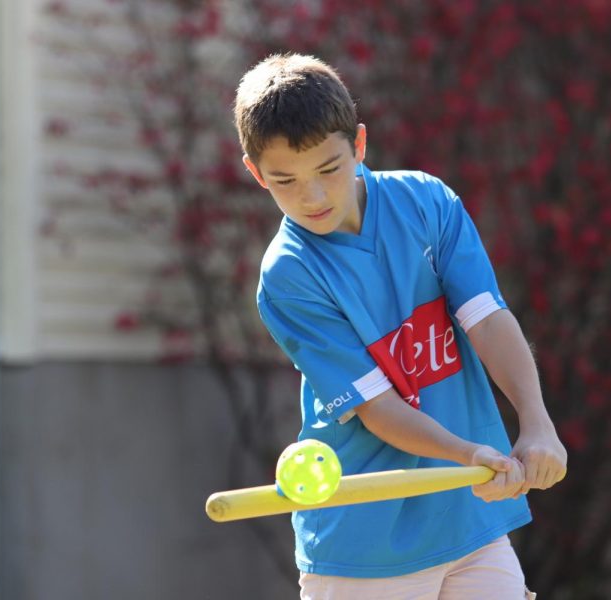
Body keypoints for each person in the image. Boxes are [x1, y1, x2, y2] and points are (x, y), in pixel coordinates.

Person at [234, 53, 567, 600]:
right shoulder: (288, 275)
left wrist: (536, 423)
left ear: (359, 145)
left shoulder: (427, 202)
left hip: (468, 516)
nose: (312, 196)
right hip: (363, 543)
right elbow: (378, 407)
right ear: (255, 173)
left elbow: (486, 318)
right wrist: (468, 452)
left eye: (328, 169)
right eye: (285, 180)